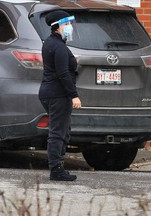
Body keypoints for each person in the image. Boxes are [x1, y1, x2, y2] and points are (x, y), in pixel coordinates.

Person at [39, 10, 82, 181]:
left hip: (49, 93)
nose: (69, 27)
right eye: (66, 24)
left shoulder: (50, 43)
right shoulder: (59, 47)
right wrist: (74, 95)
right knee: (58, 131)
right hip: (58, 95)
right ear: (57, 27)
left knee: (62, 130)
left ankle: (58, 166)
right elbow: (63, 73)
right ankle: (56, 169)